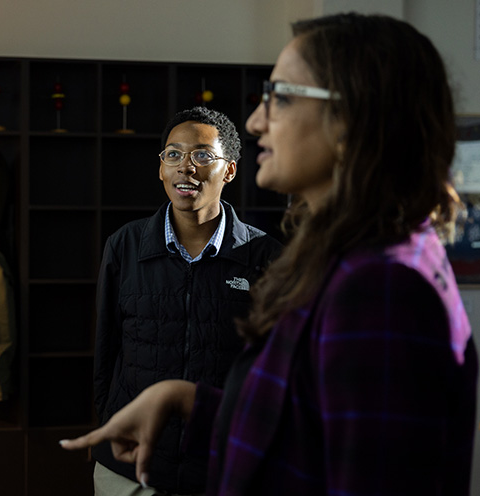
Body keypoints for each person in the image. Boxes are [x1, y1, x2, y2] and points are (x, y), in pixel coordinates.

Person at [63, 12, 479, 495]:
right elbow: (305, 433)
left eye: (280, 97)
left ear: (352, 118)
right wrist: (187, 399)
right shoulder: (350, 259)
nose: (256, 121)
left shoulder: (380, 288)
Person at [92, 106, 282, 495]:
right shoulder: (125, 245)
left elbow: (275, 371)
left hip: (223, 471)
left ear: (229, 170)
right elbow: (105, 354)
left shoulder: (266, 256)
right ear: (161, 168)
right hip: (128, 470)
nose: (186, 167)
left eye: (202, 155)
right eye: (174, 154)